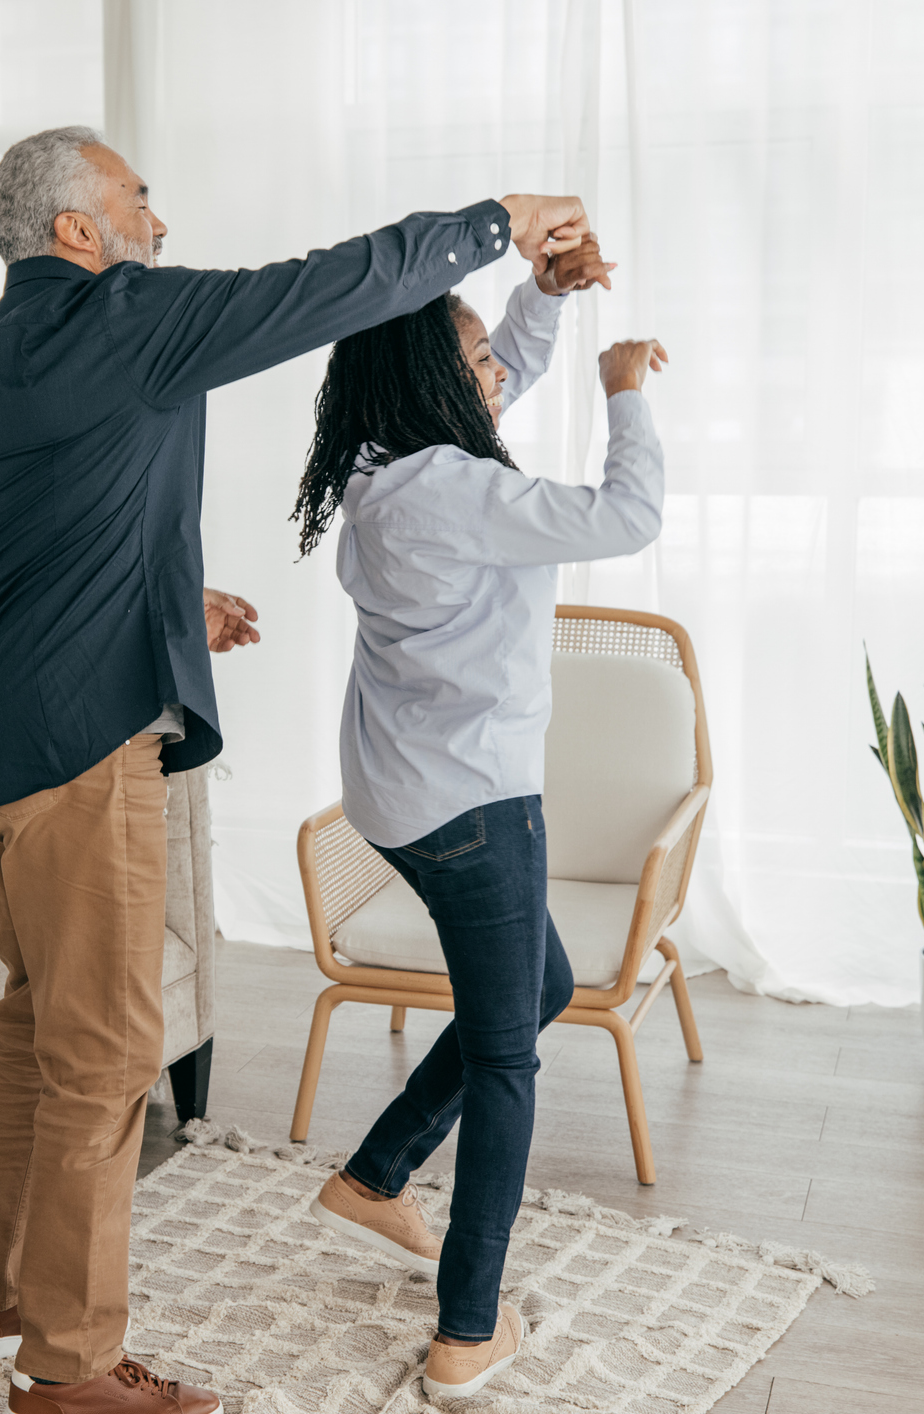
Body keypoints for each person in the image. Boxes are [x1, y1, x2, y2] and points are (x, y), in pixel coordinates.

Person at [0, 121, 597, 1414]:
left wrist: (176, 597)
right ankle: (69, 1365)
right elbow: (325, 287)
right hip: (76, 747)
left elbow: (23, 550)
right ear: (78, 230)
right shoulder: (120, 317)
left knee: (32, 1023)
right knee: (110, 1052)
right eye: (139, 199)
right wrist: (495, 220)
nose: (159, 223)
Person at [288, 241, 669, 1400]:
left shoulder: (377, 458)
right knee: (509, 1053)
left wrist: (542, 301)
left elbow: (495, 364)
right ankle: (464, 1330)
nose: (495, 371)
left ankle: (373, 1172)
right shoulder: (458, 490)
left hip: (394, 799)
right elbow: (627, 513)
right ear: (432, 383)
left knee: (538, 988)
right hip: (474, 806)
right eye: (473, 359)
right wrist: (626, 394)